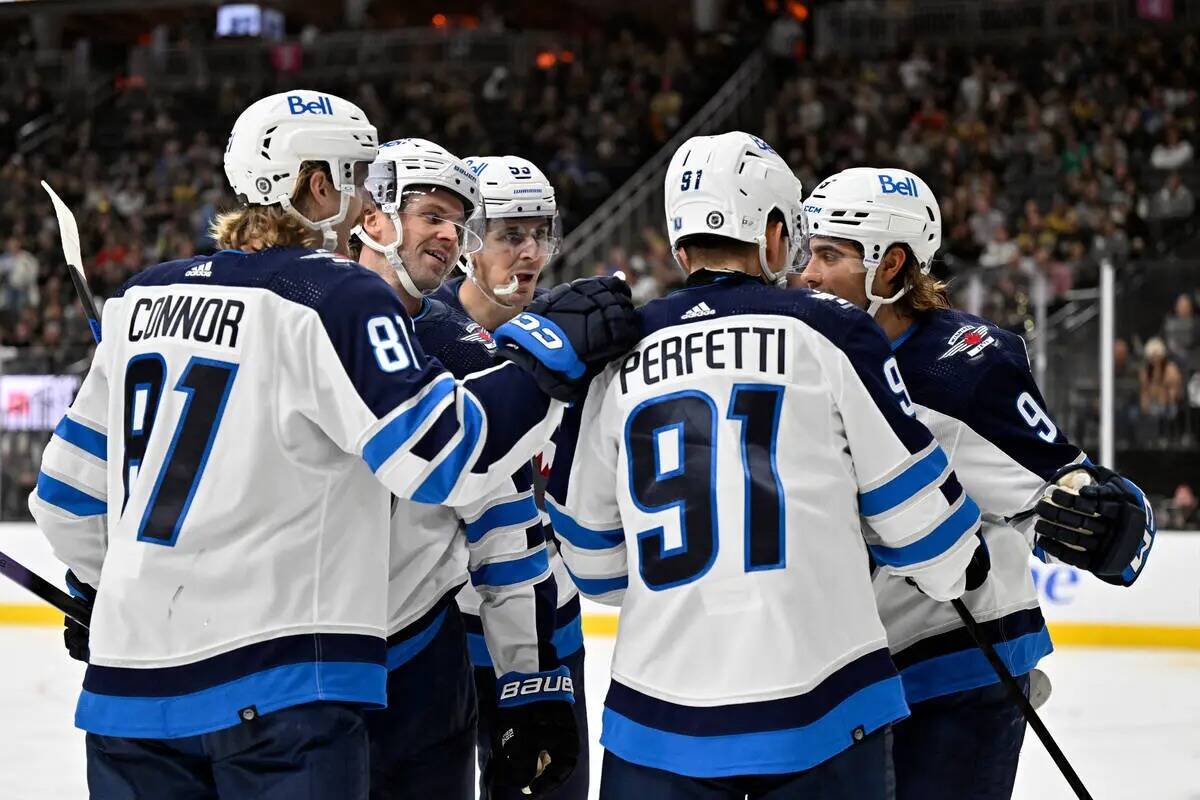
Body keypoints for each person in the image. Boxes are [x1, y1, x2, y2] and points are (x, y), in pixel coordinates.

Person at [28, 90, 636, 799]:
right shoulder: (333, 296)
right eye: (363, 182)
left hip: (128, 696)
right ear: (320, 184)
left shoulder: (140, 297)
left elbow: (68, 500)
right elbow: (442, 458)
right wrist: (547, 358)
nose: (369, 206)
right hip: (282, 689)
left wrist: (104, 592)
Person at [548, 132, 985, 799]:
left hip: (657, 720)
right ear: (775, 233)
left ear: (677, 239)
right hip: (828, 712)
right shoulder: (833, 331)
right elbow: (933, 538)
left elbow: (594, 567)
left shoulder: (614, 357)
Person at [798, 166, 1156, 800]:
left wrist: (1109, 518)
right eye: (807, 253)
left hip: (960, 667)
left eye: (829, 255)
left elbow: (1061, 484)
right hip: (861, 673)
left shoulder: (961, 368)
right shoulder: (812, 356)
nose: (808, 273)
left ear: (890, 267)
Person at [352, 138, 576, 798]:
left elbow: (506, 519)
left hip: (423, 651)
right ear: (374, 217)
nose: (449, 235)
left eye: (458, 220)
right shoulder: (299, 321)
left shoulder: (462, 349)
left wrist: (529, 677)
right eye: (433, 216)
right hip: (307, 658)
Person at [432, 154, 590, 800]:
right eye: (509, 235)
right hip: (440, 625)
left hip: (549, 617)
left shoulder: (568, 337)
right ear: (470, 241)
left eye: (539, 233)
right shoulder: (416, 333)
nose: (530, 252)